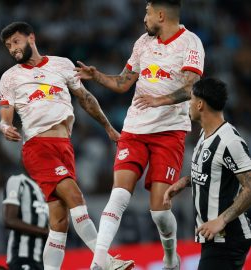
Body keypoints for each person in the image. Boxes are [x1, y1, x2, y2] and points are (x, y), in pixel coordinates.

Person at [74, 0, 205, 269]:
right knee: (119, 194)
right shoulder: (142, 43)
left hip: (169, 132)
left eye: (146, 13)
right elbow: (123, 83)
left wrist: (161, 101)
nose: (143, 19)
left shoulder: (191, 43)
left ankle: (171, 257)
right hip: (134, 129)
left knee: (159, 211)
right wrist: (97, 75)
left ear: (160, 15)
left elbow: (193, 87)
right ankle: (99, 261)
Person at [0, 21, 134, 270]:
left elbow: (85, 98)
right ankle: (106, 261)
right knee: (75, 196)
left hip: (64, 146)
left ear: (31, 38)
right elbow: (5, 117)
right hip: (38, 147)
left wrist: (107, 127)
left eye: (15, 42)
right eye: (8, 46)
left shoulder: (62, 64)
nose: (13, 49)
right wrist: (6, 128)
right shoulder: (10, 78)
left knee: (59, 222)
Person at [163, 78, 251, 270]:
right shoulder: (205, 134)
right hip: (212, 237)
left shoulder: (230, 142)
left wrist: (221, 220)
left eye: (191, 99)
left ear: (200, 104)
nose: (189, 104)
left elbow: (250, 188)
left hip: (228, 238)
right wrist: (185, 182)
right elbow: (213, 172)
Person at [3, 174, 49, 270]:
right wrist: (46, 232)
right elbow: (10, 220)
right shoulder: (18, 181)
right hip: (23, 256)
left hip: (43, 260)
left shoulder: (46, 186)